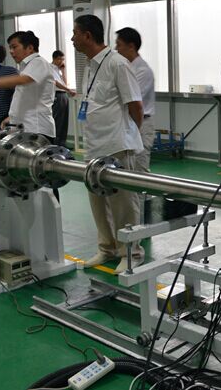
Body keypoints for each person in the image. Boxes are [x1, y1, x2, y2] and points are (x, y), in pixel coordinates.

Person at [72, 14, 144, 274]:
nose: (72, 39)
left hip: (116, 145)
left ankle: (131, 252)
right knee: (98, 202)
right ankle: (107, 247)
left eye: (75, 33)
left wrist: (128, 134)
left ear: (87, 35)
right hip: (94, 146)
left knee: (123, 204)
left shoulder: (118, 63)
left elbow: (135, 105)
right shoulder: (90, 66)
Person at [115, 27, 155, 174]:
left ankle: (143, 190)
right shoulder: (126, 67)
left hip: (141, 124)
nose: (116, 49)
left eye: (119, 45)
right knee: (126, 167)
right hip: (128, 123)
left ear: (131, 46)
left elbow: (131, 101)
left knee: (139, 168)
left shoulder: (143, 71)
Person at [51, 50, 75, 147]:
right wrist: (68, 90)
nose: (61, 61)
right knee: (58, 120)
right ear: (54, 59)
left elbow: (64, 82)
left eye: (63, 59)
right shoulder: (50, 68)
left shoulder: (58, 70)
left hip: (63, 94)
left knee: (65, 120)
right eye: (60, 59)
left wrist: (63, 71)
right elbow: (56, 83)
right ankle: (56, 144)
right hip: (57, 95)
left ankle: (62, 143)